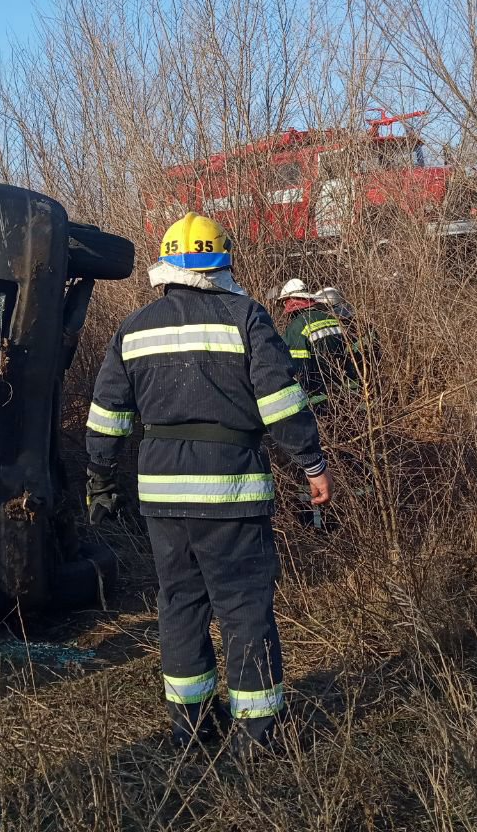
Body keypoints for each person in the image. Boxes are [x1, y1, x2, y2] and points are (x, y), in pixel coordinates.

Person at [84, 213, 332, 753]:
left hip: (162, 499)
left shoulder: (133, 330)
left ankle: (192, 728)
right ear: (220, 265)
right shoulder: (246, 317)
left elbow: (106, 417)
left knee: (179, 605)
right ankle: (258, 735)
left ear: (166, 267)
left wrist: (101, 478)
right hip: (232, 493)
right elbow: (282, 404)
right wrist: (312, 464)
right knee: (243, 610)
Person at [277, 278, 359, 408]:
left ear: (289, 302)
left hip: (320, 400)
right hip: (349, 394)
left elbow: (299, 370)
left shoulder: (296, 328)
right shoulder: (333, 318)